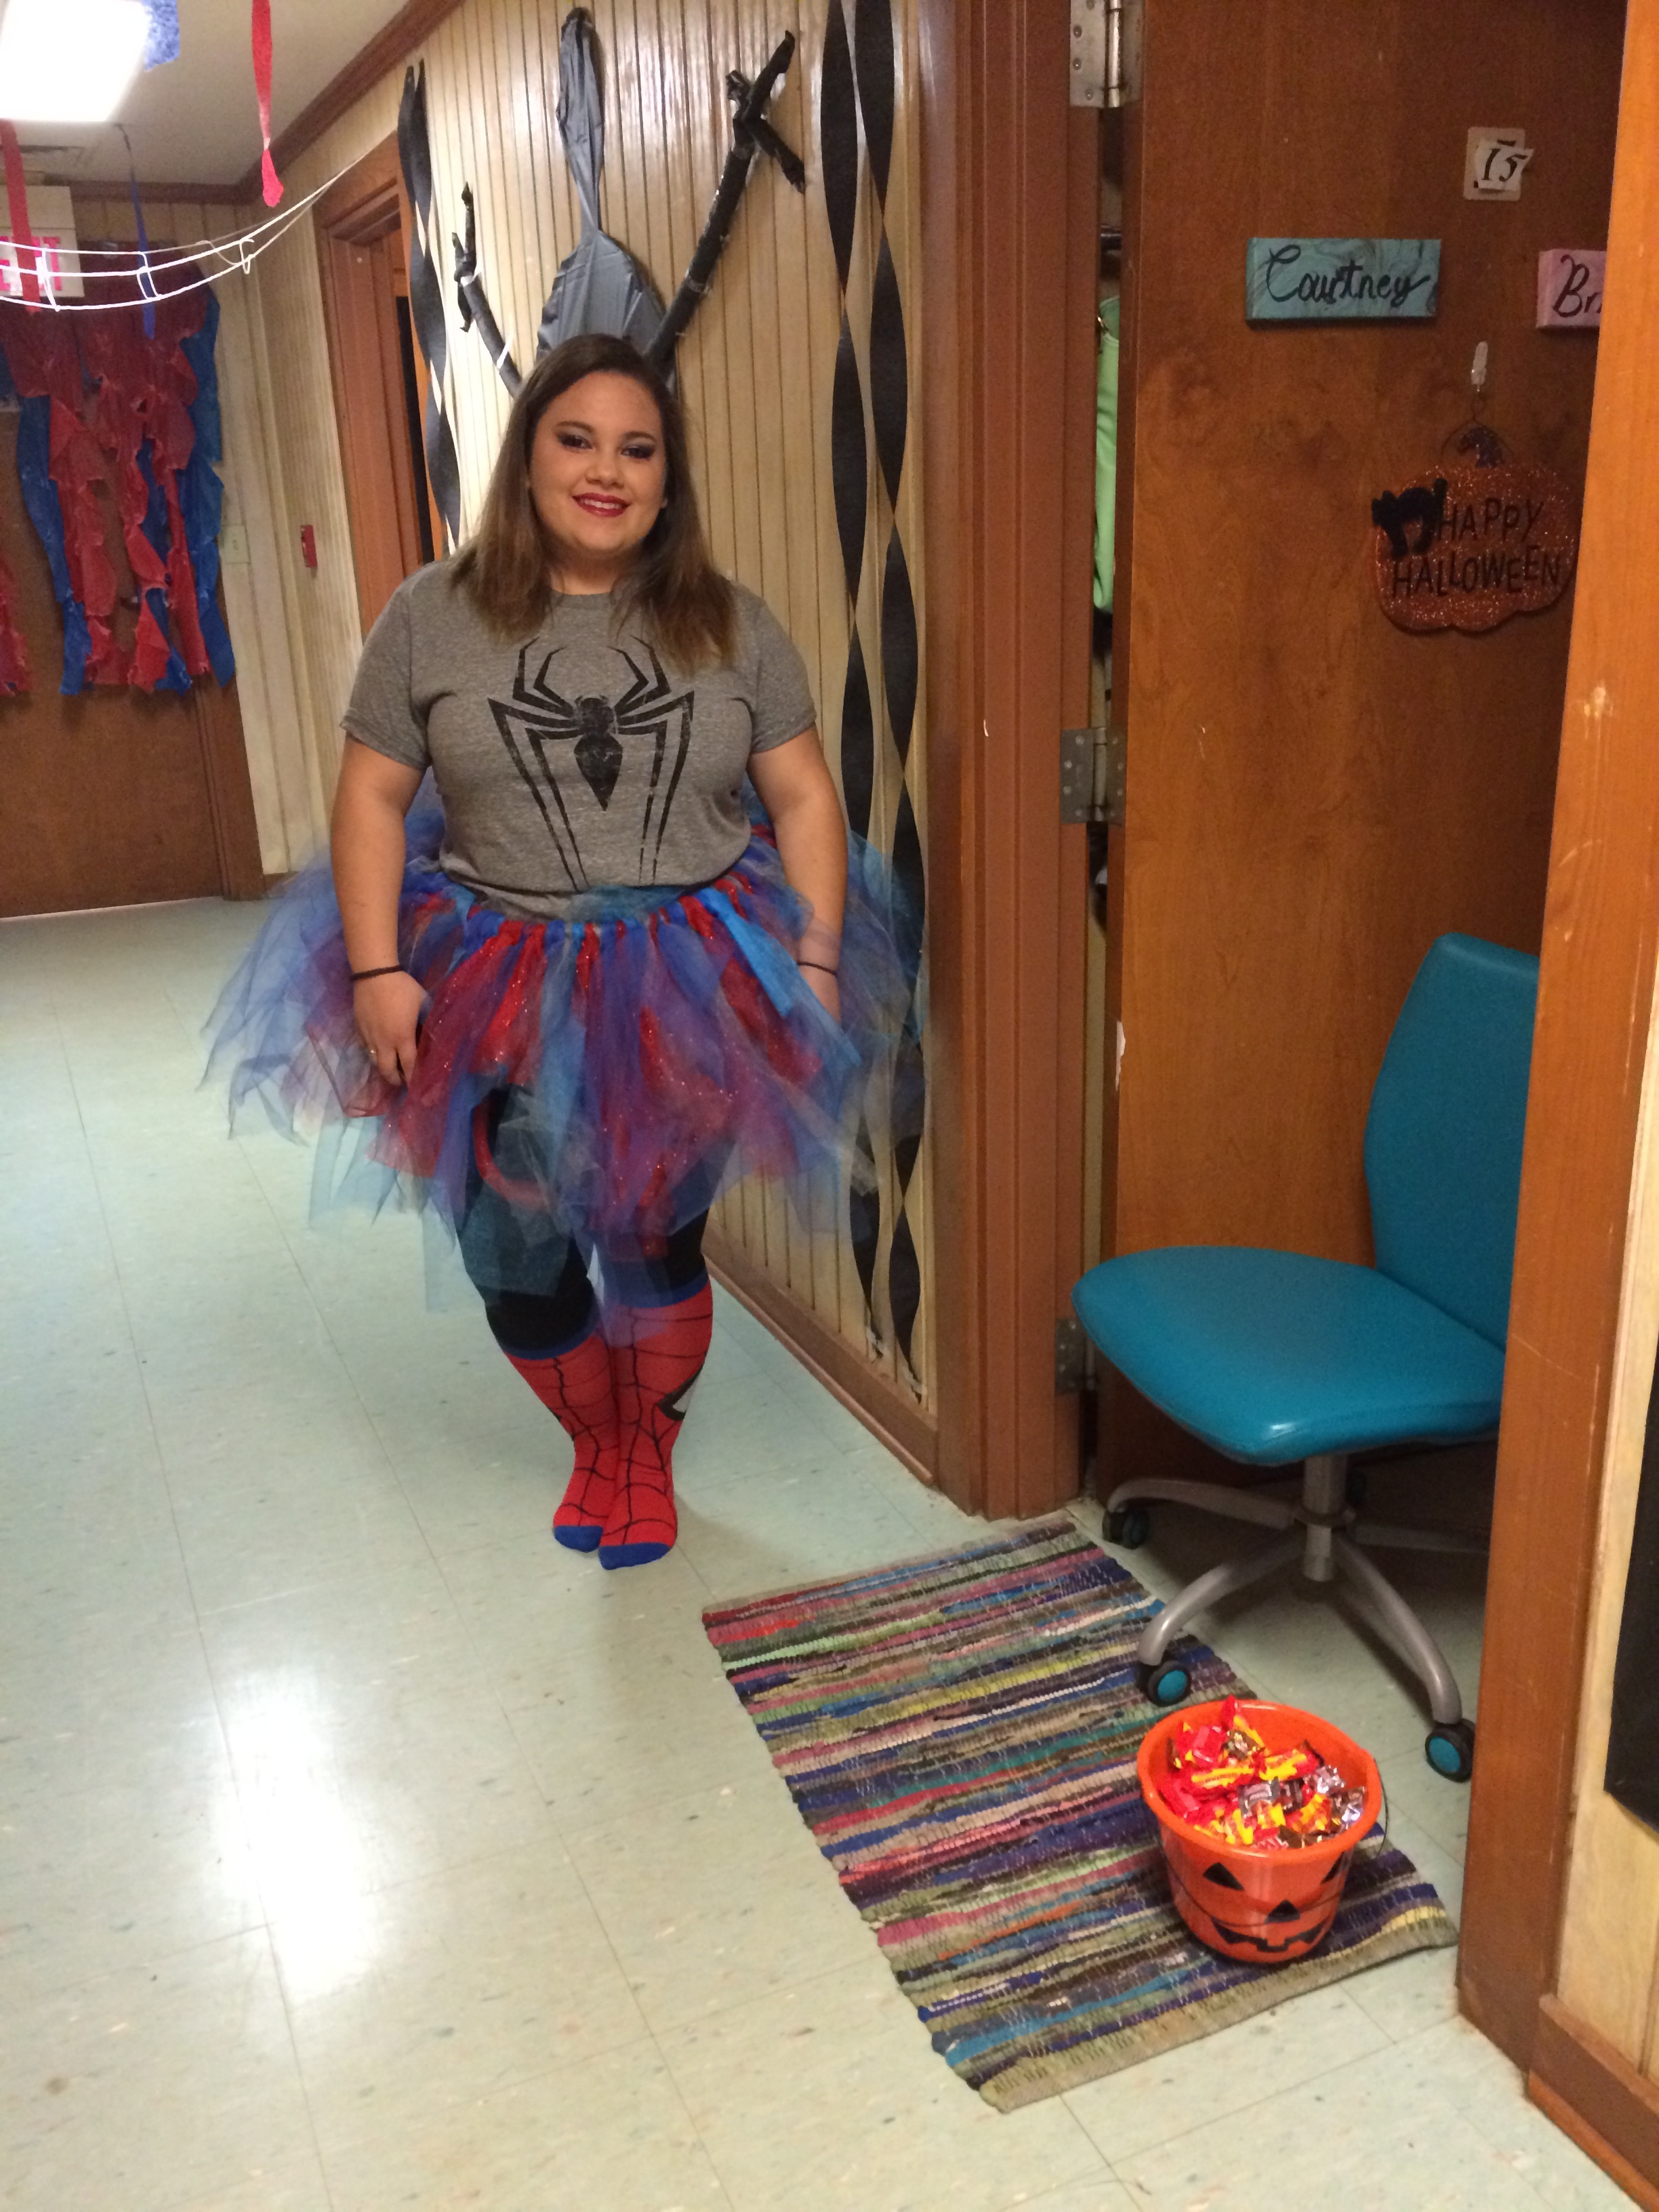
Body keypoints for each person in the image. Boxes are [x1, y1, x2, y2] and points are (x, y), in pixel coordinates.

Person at [209, 333, 904, 1571]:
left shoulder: (731, 625)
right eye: (576, 439)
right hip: (492, 978)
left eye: (638, 449)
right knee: (516, 1260)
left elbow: (803, 799)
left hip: (686, 977)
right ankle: (595, 1434)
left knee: (654, 1240)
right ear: (528, 455)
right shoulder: (434, 614)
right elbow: (369, 801)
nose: (607, 471)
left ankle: (644, 1451)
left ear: (668, 478)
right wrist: (376, 969)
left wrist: (811, 959)